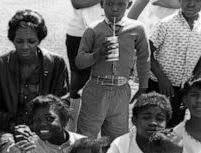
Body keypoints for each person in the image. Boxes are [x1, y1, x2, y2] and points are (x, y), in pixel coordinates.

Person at [0, 9, 69, 153]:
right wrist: (14, 126)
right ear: (12, 39)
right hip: (6, 127)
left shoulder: (56, 64)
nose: (25, 46)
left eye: (31, 41)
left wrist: (38, 127)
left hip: (44, 126)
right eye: (19, 41)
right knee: (11, 151)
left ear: (40, 39)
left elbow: (62, 105)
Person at [75, 0, 150, 140]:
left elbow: (144, 58)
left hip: (121, 91)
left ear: (129, 4)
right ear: (102, 4)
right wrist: (97, 55)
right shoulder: (93, 29)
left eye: (121, 4)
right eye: (109, 4)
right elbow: (79, 61)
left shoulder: (137, 29)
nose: (115, 8)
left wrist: (143, 86)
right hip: (96, 89)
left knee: (117, 139)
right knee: (85, 137)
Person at [148, 0, 201, 126]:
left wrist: (194, 77)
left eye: (197, 0)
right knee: (153, 125)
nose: (191, 4)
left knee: (173, 127)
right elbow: (146, 54)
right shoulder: (165, 24)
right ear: (180, 1)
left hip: (183, 90)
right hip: (159, 86)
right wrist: (162, 78)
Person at [65, 1, 103, 132]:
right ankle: (71, 131)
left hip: (106, 33)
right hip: (79, 34)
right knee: (78, 84)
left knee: (102, 82)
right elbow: (77, 2)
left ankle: (93, 134)